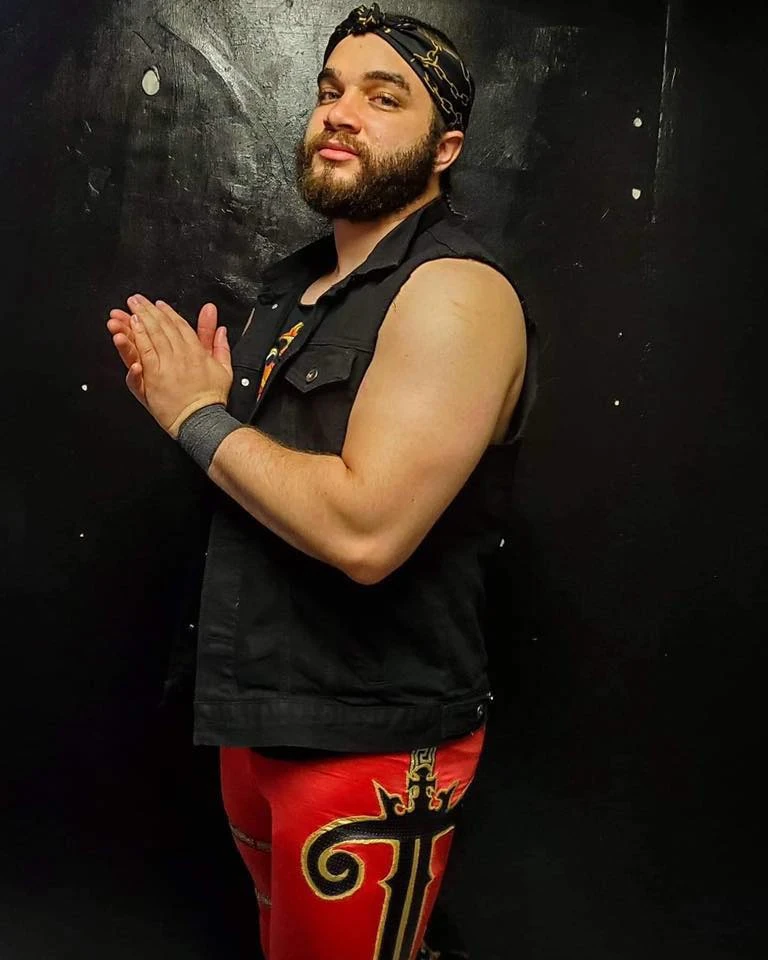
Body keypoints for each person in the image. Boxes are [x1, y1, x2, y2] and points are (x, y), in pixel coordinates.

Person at [107, 5, 536, 958]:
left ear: (444, 149)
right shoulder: (294, 290)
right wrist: (210, 409)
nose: (341, 112)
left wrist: (197, 417)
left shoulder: (456, 293)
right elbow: (270, 489)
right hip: (261, 715)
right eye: (330, 91)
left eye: (385, 98)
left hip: (368, 740)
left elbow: (365, 533)